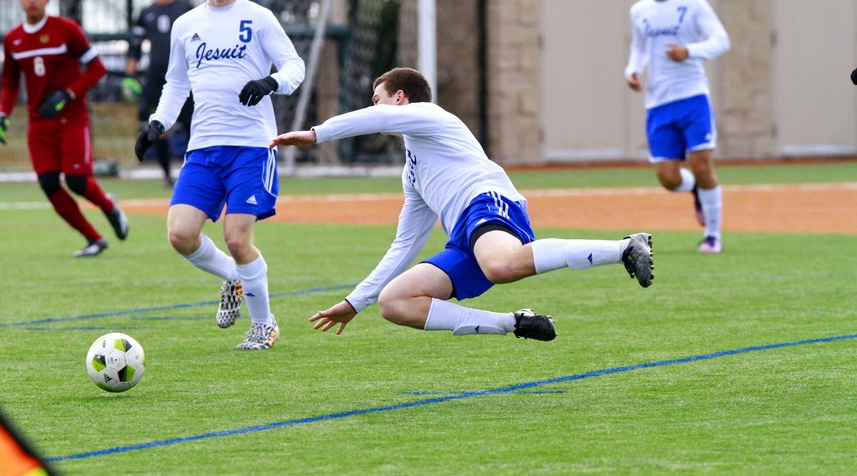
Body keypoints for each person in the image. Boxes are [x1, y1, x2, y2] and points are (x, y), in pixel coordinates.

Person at [269, 67, 654, 340]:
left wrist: (316, 134)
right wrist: (355, 302)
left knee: (502, 265)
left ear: (400, 98)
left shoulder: (429, 115)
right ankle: (514, 323)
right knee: (396, 301)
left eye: (378, 99)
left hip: (488, 202)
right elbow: (404, 245)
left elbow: (378, 117)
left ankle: (624, 247)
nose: (376, 108)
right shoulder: (413, 172)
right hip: (465, 239)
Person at [134, 0, 305, 350]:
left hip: (251, 147)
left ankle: (264, 325)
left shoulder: (259, 18)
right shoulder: (186, 24)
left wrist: (270, 83)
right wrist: (157, 123)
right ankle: (234, 276)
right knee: (180, 234)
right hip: (203, 149)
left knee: (237, 238)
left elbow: (293, 66)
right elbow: (176, 83)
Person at [0, 0, 129, 257]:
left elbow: (97, 68)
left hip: (72, 118)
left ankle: (109, 206)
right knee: (48, 184)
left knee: (76, 181)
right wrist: (2, 113)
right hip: (39, 123)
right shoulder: (13, 39)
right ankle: (94, 239)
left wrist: (68, 94)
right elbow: (9, 82)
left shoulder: (67, 30)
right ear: (20, 0)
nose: (32, 0)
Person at [624, 0, 730, 253]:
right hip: (657, 102)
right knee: (668, 178)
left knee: (701, 163)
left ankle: (713, 235)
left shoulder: (692, 4)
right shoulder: (639, 11)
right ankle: (695, 188)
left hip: (692, 95)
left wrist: (690, 51)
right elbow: (639, 48)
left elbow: (721, 40)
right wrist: (632, 71)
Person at [125, 0, 194, 187]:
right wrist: (131, 70)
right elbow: (136, 44)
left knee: (194, 124)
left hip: (185, 78)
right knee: (160, 125)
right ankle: (167, 175)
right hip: (156, 78)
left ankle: (196, 172)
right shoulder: (147, 12)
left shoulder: (186, 9)